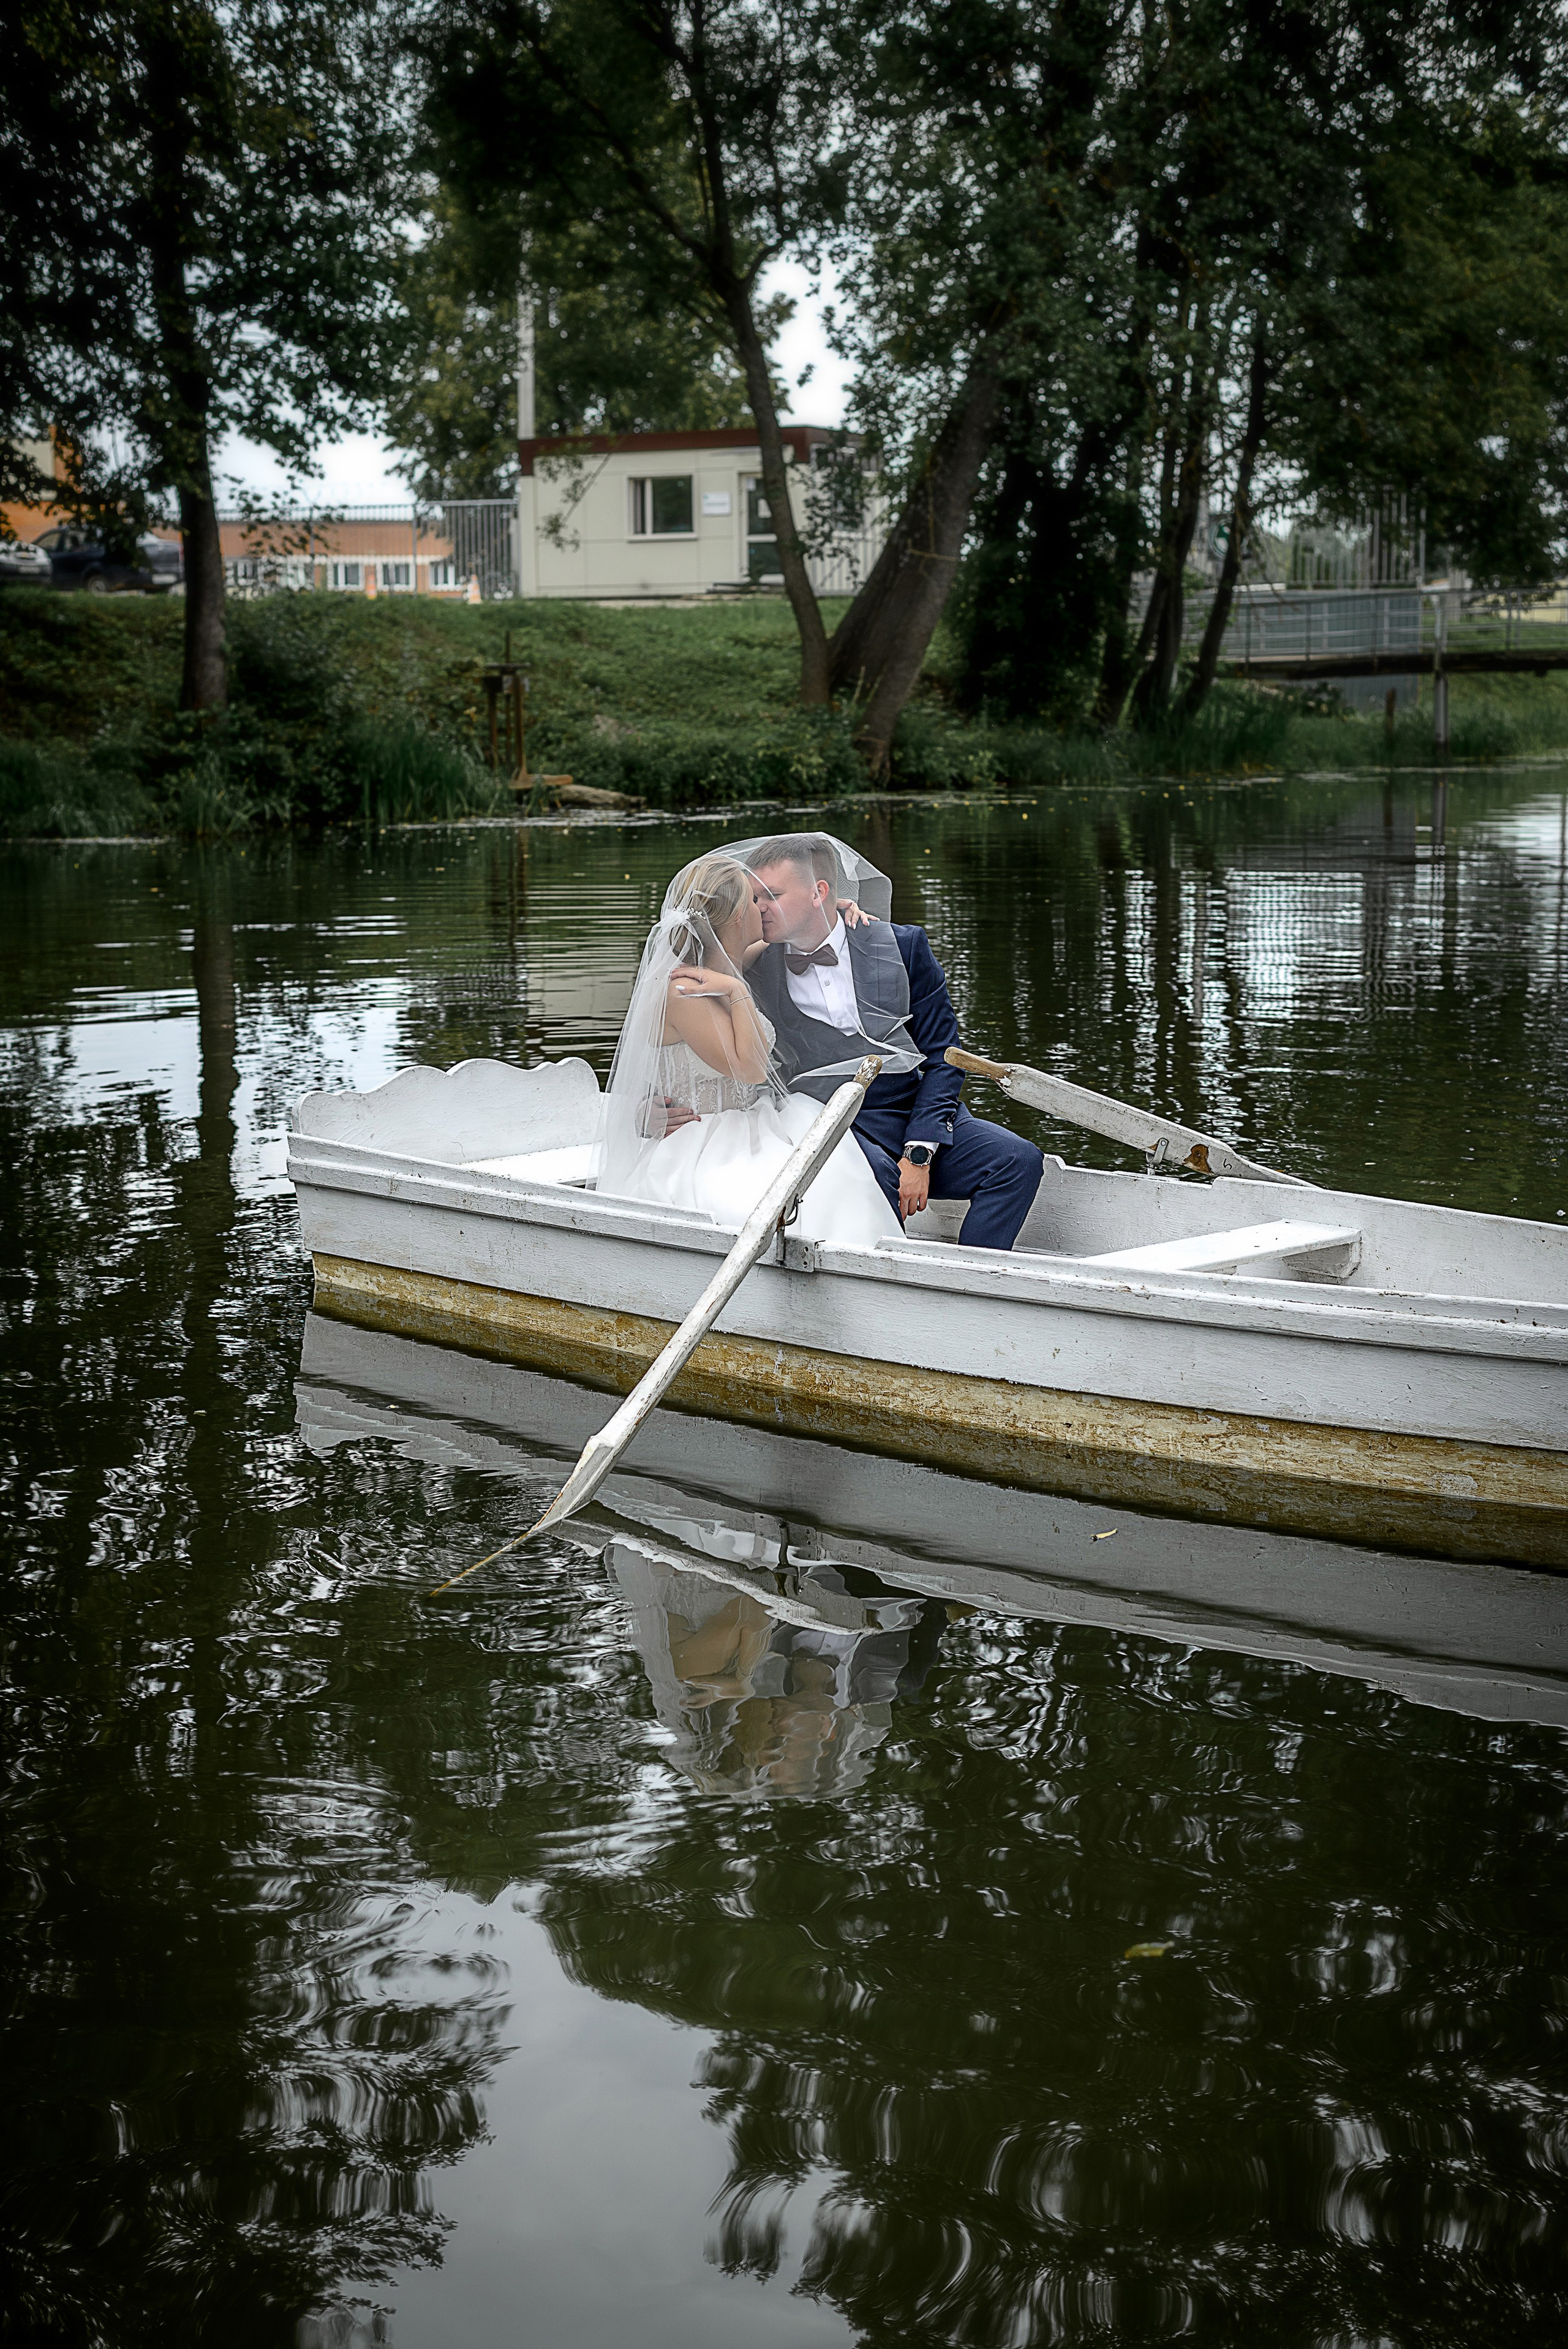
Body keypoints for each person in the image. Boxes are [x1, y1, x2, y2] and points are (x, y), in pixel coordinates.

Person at [723, 831, 1041, 1250]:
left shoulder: (902, 946)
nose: (758, 908)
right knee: (873, 1177)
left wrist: (920, 1152)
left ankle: (971, 1283)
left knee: (1018, 1161)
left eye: (772, 895)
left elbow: (944, 1056)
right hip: (836, 1124)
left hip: (915, 1111)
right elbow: (695, 1003)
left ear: (819, 892)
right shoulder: (757, 969)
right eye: (755, 897)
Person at [592, 851, 901, 1245]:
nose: (766, 906)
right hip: (700, 1136)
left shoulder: (733, 961)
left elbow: (798, 933)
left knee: (836, 1174)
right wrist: (738, 994)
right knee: (754, 1199)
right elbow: (752, 1070)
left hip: (755, 1120)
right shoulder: (684, 988)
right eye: (756, 899)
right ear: (739, 915)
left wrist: (825, 909)